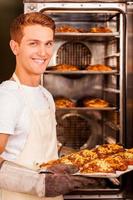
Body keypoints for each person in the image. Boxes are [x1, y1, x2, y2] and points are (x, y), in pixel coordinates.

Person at [0, 12, 96, 200]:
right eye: (33, 43)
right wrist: (38, 184)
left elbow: (45, 151)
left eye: (48, 43)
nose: (43, 53)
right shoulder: (7, 96)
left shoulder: (45, 95)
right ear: (15, 47)